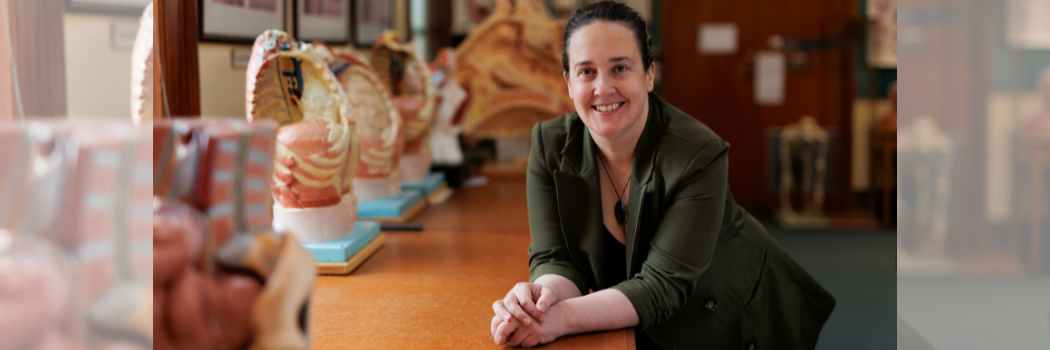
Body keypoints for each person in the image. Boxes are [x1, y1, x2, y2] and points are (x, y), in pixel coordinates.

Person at [489, 2, 836, 349]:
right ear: (568, 82)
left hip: (727, 317)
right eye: (586, 72)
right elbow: (557, 258)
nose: (603, 87)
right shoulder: (548, 146)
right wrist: (540, 301)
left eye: (620, 68)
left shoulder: (699, 153)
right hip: (637, 320)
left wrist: (562, 318)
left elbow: (663, 285)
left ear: (649, 75)